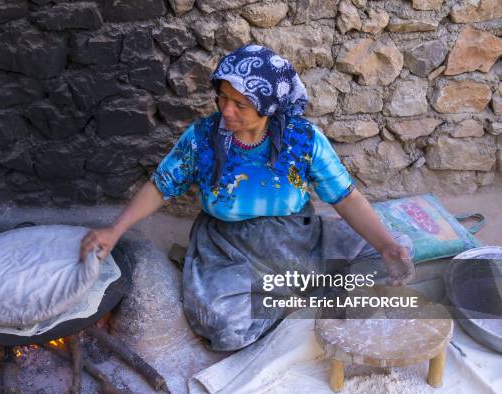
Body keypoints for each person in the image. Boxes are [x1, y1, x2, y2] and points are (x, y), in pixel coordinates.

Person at [80, 45, 415, 351]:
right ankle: (294, 295)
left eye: (240, 104)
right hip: (229, 248)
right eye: (222, 98)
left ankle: (288, 290)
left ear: (269, 106)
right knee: (226, 327)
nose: (227, 110)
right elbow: (161, 186)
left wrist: (384, 245)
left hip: (298, 240)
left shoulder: (303, 140)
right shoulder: (202, 139)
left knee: (396, 248)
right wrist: (116, 229)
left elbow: (345, 197)